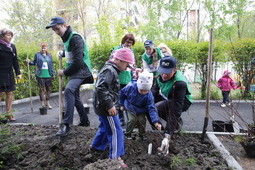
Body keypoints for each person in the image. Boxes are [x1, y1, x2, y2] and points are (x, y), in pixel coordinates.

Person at [46, 16, 93, 136]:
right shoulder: (66, 37)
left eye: (57, 29)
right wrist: (62, 53)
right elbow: (72, 52)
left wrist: (64, 72)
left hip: (81, 70)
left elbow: (78, 61)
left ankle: (66, 125)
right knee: (75, 96)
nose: (56, 32)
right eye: (54, 30)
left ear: (64, 25)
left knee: (69, 90)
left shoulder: (75, 37)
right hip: (75, 71)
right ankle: (84, 120)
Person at [90, 48, 135, 168]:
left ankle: (96, 147)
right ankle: (115, 158)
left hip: (101, 105)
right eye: (126, 64)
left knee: (105, 128)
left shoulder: (111, 69)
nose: (127, 68)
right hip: (105, 107)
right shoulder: (110, 70)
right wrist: (110, 105)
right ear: (120, 60)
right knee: (116, 130)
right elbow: (101, 88)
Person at [151, 56, 192, 156]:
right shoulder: (159, 75)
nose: (164, 75)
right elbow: (154, 91)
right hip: (167, 96)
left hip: (182, 101)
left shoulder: (179, 83)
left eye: (167, 72)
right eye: (162, 71)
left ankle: (172, 127)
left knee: (160, 109)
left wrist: (167, 135)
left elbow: (175, 109)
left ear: (175, 69)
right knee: (152, 107)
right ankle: (168, 126)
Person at [119, 71, 161, 140]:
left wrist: (155, 122)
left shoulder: (149, 95)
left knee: (142, 120)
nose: (143, 93)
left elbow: (151, 108)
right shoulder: (130, 87)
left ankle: (142, 134)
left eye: (146, 91)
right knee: (132, 120)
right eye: (141, 90)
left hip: (142, 109)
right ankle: (128, 133)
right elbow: (122, 94)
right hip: (130, 106)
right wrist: (121, 104)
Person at [110, 33, 136, 126]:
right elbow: (111, 63)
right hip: (118, 78)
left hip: (128, 78)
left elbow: (133, 66)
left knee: (129, 99)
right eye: (127, 42)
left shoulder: (131, 52)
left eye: (131, 43)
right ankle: (121, 119)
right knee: (118, 99)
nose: (129, 44)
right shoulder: (116, 50)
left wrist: (134, 78)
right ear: (123, 41)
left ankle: (130, 118)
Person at [0, 28, 21, 121]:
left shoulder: (12, 46)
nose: (10, 37)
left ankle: (8, 114)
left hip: (9, 73)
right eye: (8, 35)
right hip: (1, 73)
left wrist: (18, 73)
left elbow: (15, 61)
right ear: (2, 36)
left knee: (10, 93)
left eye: (11, 35)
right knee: (0, 93)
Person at [26, 43, 55, 109]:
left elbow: (51, 65)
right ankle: (42, 104)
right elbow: (34, 62)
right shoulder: (37, 54)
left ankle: (47, 103)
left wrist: (53, 74)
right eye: (42, 48)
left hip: (48, 74)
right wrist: (29, 62)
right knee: (42, 89)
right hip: (40, 75)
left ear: (46, 48)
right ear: (40, 48)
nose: (43, 49)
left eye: (44, 48)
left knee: (48, 89)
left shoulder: (49, 55)